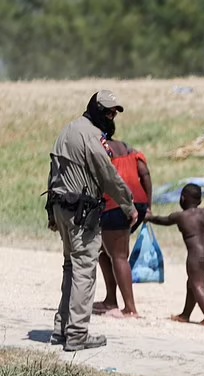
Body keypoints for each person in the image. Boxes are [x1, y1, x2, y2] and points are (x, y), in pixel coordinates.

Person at [47, 90, 136, 352]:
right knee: (84, 270)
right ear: (96, 110)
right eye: (108, 112)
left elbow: (54, 169)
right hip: (81, 214)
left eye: (114, 113)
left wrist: (51, 213)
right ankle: (77, 334)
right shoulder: (90, 136)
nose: (111, 117)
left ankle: (60, 329)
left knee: (70, 268)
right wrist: (127, 204)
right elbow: (107, 173)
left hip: (62, 208)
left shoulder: (68, 130)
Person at [146, 184, 204, 326]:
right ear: (199, 201)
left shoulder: (180, 216)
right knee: (192, 283)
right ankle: (185, 314)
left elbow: (163, 220)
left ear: (182, 198)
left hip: (196, 256)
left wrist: (150, 218)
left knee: (197, 284)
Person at [94, 138, 152, 318]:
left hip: (116, 204)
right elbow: (145, 173)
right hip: (139, 202)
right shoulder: (131, 150)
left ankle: (130, 307)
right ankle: (110, 300)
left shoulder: (100, 149)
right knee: (104, 249)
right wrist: (148, 204)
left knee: (118, 255)